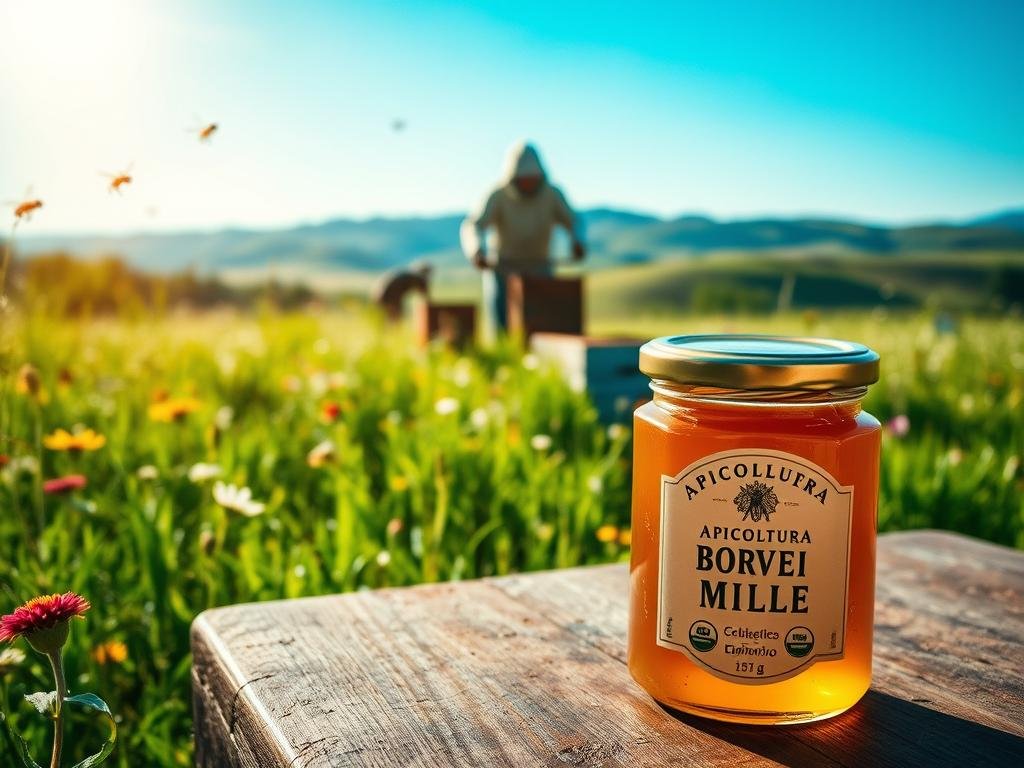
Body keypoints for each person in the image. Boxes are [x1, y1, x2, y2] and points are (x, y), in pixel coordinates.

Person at [460, 141, 586, 337]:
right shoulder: (498, 195)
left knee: (544, 327)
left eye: (533, 179)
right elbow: (473, 225)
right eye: (523, 179)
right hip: (503, 270)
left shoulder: (552, 195)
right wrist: (476, 250)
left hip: (540, 269)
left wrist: (578, 241)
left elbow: (574, 221)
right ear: (513, 177)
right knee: (502, 330)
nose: (529, 184)